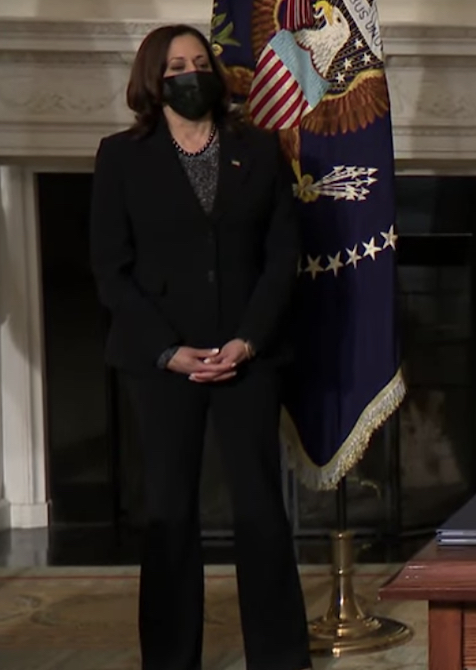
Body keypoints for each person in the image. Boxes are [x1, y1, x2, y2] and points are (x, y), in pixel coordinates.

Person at [89, 24, 311, 670]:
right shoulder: (120, 157)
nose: (191, 72)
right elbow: (110, 268)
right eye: (176, 65)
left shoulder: (262, 150)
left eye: (199, 60)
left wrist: (245, 341)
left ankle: (279, 657)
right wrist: (169, 350)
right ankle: (170, 658)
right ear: (152, 83)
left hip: (250, 355)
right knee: (169, 515)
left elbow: (282, 256)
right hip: (161, 364)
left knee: (261, 510)